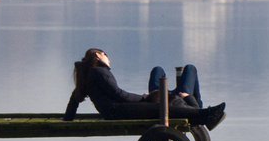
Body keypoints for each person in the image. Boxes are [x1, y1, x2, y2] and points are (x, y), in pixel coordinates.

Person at [63, 48, 226, 127]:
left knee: (159, 105)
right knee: (159, 108)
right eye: (106, 55)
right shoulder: (99, 72)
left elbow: (74, 97)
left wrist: (67, 119)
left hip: (114, 110)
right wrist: (145, 98)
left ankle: (204, 114)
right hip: (116, 110)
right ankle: (204, 114)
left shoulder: (92, 74)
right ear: (98, 55)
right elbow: (119, 94)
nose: (109, 59)